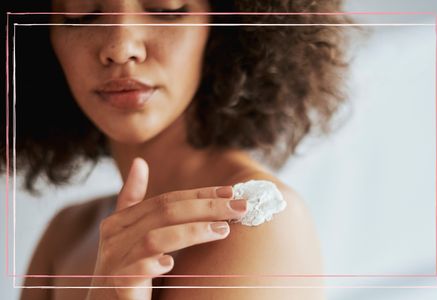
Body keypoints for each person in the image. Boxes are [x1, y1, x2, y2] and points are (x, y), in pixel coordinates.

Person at [3, 0, 353, 299]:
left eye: (165, 9)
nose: (121, 46)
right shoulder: (66, 232)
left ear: (218, 29)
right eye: (83, 13)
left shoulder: (255, 221)